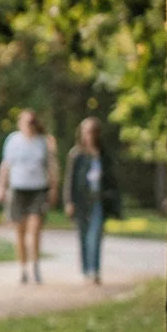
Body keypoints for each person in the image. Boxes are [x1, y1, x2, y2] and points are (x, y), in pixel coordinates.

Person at [0, 108, 59, 284]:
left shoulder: (42, 142)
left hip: (37, 190)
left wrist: (53, 188)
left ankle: (35, 265)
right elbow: (5, 165)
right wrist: (0, 186)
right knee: (20, 231)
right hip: (18, 189)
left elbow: (51, 167)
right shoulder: (13, 141)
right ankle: (23, 268)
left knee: (35, 229)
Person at [65, 117, 121, 284]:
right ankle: (86, 270)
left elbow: (111, 179)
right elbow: (70, 180)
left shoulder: (104, 155)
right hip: (81, 200)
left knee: (95, 235)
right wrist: (69, 201)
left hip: (99, 199)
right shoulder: (76, 155)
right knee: (83, 235)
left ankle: (94, 270)